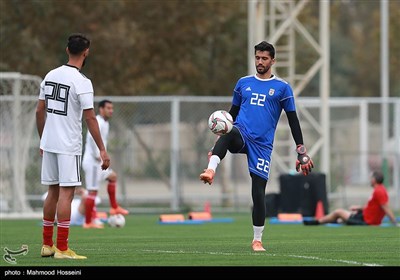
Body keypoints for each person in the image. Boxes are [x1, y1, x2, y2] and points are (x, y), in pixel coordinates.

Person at [199, 41, 314, 252]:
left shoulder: (282, 88)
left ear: (273, 61)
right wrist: (219, 139)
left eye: (264, 58)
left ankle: (257, 239)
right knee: (228, 131)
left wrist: (301, 151)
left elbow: (293, 120)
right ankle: (210, 169)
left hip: (262, 145)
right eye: (257, 58)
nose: (260, 62)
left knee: (258, 192)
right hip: (241, 132)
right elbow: (231, 116)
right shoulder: (243, 83)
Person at [36, 33, 110, 259]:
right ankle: (62, 248)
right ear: (86, 52)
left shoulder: (50, 75)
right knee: (66, 195)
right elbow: (90, 118)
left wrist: (43, 139)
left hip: (49, 143)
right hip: (69, 145)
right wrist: (102, 149)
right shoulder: (82, 82)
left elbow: (40, 111)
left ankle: (47, 245)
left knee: (52, 192)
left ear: (67, 50)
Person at [82, 99, 129, 229]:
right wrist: (99, 156)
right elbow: (92, 139)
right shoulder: (98, 122)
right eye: (108, 108)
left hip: (98, 162)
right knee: (92, 192)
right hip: (92, 162)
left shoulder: (105, 123)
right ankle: (88, 222)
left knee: (113, 176)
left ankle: (114, 208)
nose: (111, 110)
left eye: (112, 108)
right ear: (101, 109)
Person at [303, 171, 398, 226]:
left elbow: (385, 207)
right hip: (363, 216)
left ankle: (317, 222)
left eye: (371, 178)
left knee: (338, 212)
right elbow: (374, 207)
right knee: (341, 217)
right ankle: (325, 221)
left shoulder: (379, 191)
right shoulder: (379, 190)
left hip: (366, 221)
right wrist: (359, 208)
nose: (370, 180)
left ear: (374, 179)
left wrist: (394, 222)